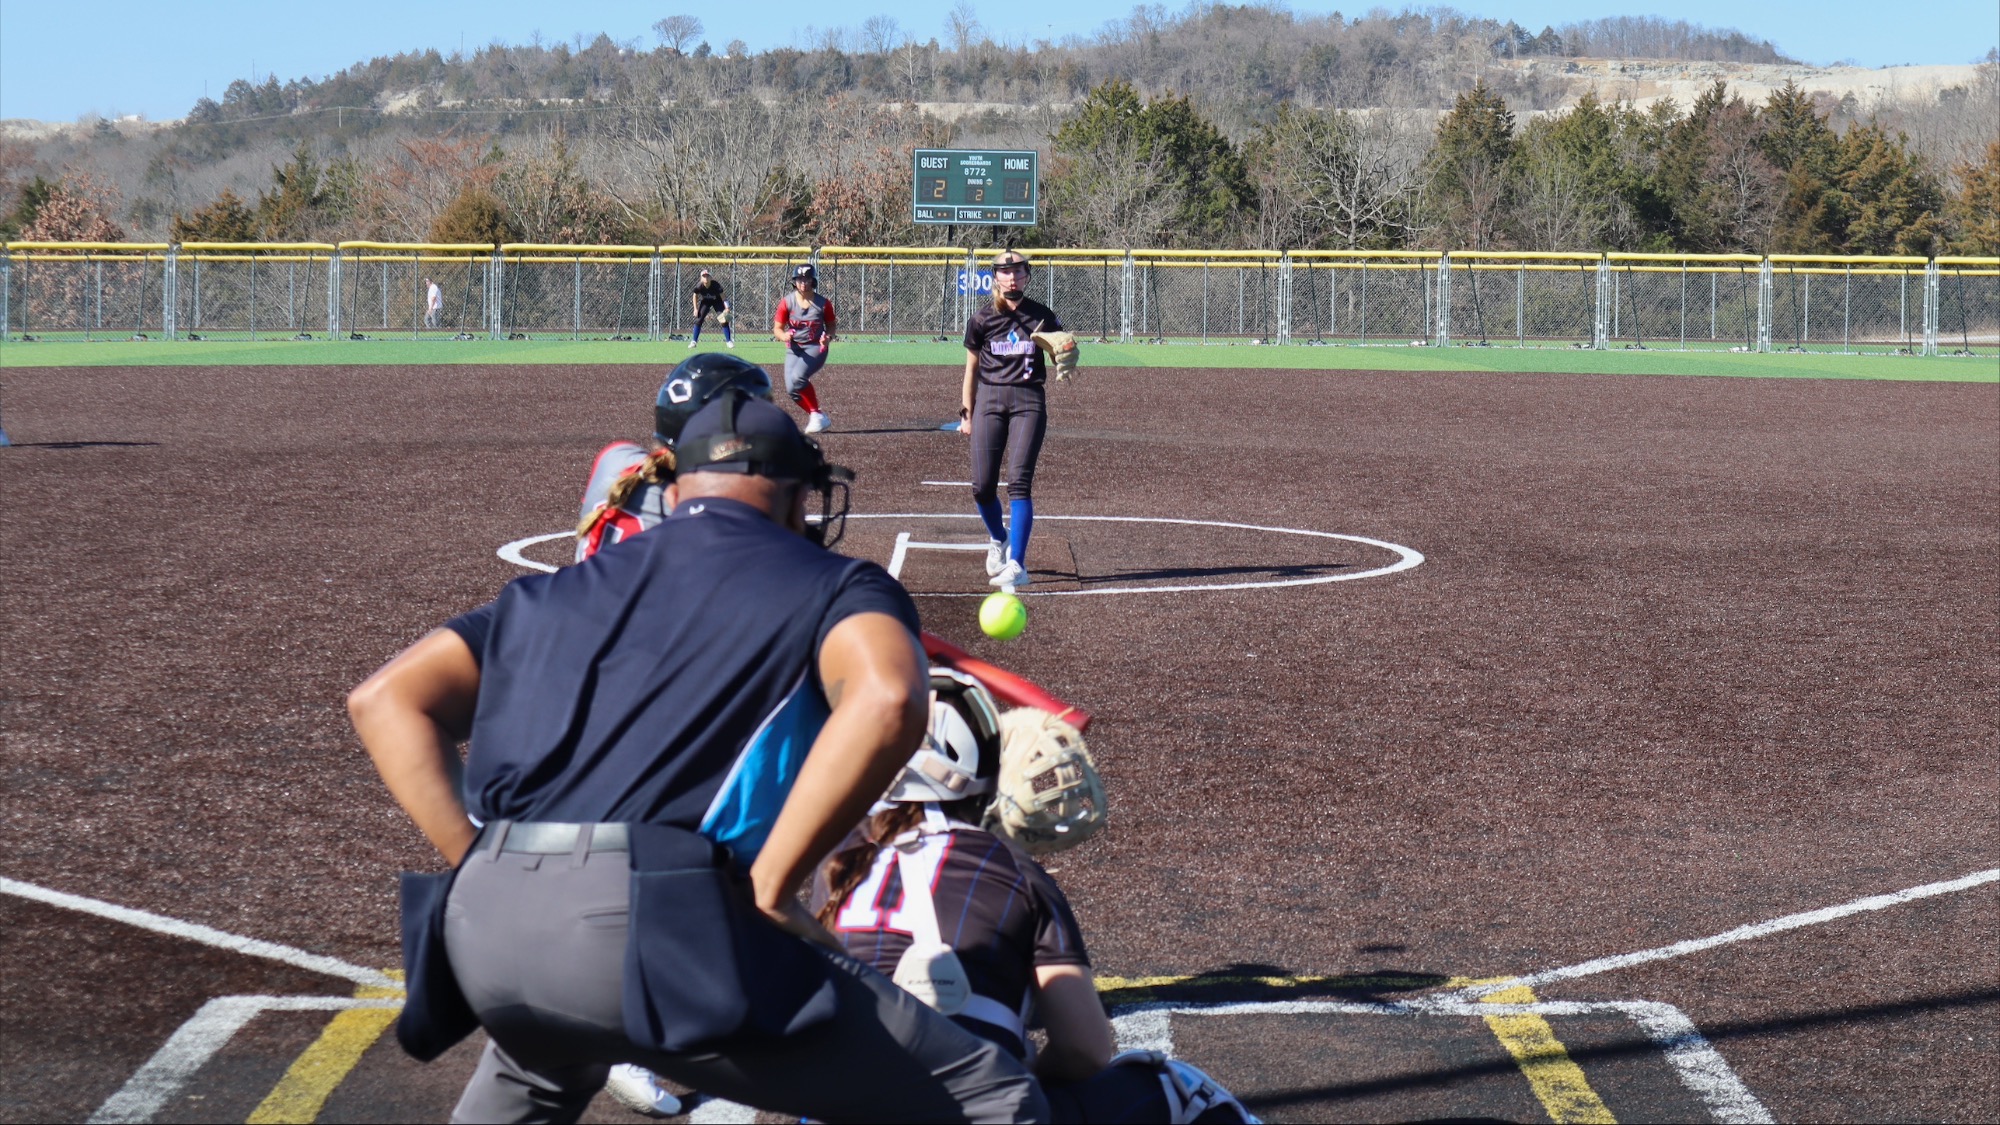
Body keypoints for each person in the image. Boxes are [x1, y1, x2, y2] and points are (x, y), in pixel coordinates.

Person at [349, 392, 1046, 1124]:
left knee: (543, 1071)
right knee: (992, 1099)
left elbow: (385, 700)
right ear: (796, 494)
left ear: (674, 490)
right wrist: (775, 884)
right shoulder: (837, 585)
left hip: (483, 933)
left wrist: (480, 857)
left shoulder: (546, 593)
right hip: (653, 925)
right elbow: (889, 701)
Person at [815, 674, 1256, 1125]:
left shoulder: (836, 862)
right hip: (973, 1112)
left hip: (840, 1111)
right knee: (1179, 1089)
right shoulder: (1017, 873)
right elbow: (1084, 1051)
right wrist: (1027, 1073)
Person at [960, 250, 1063, 591]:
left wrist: (1065, 352)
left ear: (1027, 276)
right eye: (1006, 272)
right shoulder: (982, 318)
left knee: (1018, 481)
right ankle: (998, 538)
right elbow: (971, 369)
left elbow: (1059, 350)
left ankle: (1017, 563)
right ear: (996, 278)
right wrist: (967, 412)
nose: (1012, 278)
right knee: (981, 486)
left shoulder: (1042, 315)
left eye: (1018, 272)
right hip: (990, 399)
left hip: (1028, 401)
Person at [773, 263, 836, 434]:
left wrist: (828, 337)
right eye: (799, 279)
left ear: (813, 281)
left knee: (798, 377)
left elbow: (831, 325)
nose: (803, 283)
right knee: (792, 390)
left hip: (816, 347)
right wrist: (784, 336)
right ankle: (818, 416)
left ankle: (816, 414)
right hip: (794, 348)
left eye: (807, 279)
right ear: (795, 281)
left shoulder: (823, 303)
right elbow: (777, 328)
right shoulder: (787, 302)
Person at [688, 268, 734, 350]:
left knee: (723, 319)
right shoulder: (699, 286)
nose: (706, 278)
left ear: (711, 277)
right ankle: (694, 341)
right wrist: (695, 309)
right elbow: (695, 295)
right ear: (701, 278)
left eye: (707, 276)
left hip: (717, 301)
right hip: (706, 302)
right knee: (699, 320)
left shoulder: (716, 285)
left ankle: (729, 341)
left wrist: (727, 307)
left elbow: (723, 297)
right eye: (704, 276)